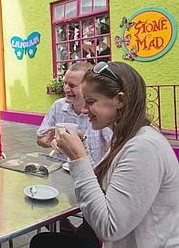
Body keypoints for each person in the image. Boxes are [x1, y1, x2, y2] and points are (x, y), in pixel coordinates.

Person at [30, 62, 179, 248]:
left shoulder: (144, 147)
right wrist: (81, 149)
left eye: (91, 102)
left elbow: (108, 228)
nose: (84, 110)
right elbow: (102, 186)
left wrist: (78, 159)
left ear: (120, 100)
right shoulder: (124, 138)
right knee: (43, 241)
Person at [36, 62, 112, 165]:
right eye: (65, 83)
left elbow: (111, 146)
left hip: (93, 173)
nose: (66, 89)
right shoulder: (58, 106)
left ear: (87, 88)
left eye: (72, 85)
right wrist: (51, 141)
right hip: (64, 171)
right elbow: (40, 138)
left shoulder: (99, 110)